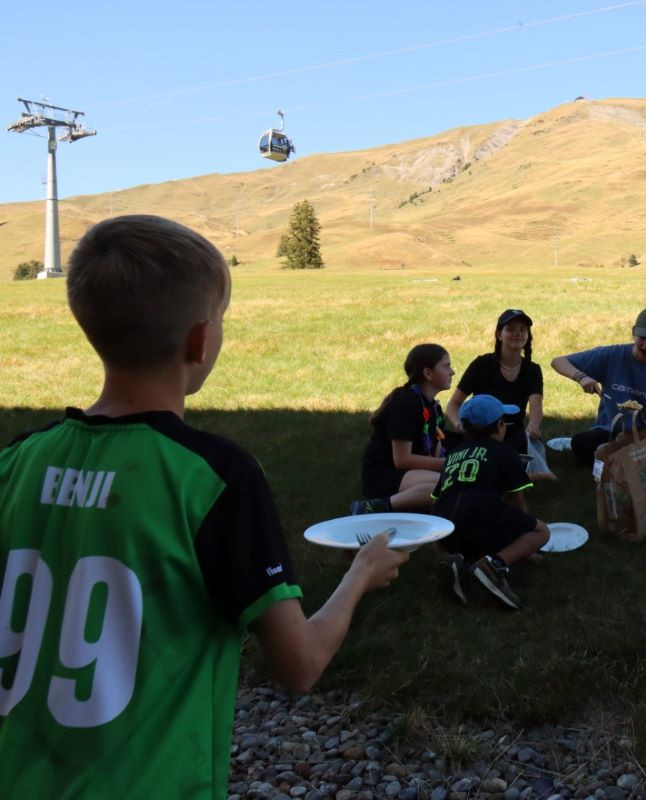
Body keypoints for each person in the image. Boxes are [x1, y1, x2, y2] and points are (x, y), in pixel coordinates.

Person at [0, 215, 407, 799]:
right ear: (200, 340)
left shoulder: (17, 459)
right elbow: (301, 663)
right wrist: (361, 574)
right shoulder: (216, 476)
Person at [431, 395, 550, 610]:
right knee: (541, 531)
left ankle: (453, 560)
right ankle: (493, 566)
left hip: (443, 521)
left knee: (459, 528)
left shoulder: (453, 454)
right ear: (500, 425)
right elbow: (519, 502)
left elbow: (437, 496)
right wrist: (525, 547)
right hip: (480, 510)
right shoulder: (505, 452)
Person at [550, 306, 646, 464]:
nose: (645, 345)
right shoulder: (612, 355)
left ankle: (617, 458)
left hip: (645, 434)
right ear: (634, 332)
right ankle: (635, 458)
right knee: (581, 442)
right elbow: (558, 362)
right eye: (642, 338)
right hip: (609, 432)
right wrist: (582, 377)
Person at [444, 309, 554, 480]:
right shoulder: (482, 364)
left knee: (510, 450)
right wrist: (460, 426)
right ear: (499, 334)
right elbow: (453, 404)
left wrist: (534, 426)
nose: (518, 334)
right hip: (479, 430)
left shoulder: (532, 370)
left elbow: (536, 405)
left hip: (512, 431)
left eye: (523, 330)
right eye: (511, 329)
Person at [354, 344, 453, 514]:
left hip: (411, 473)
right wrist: (449, 464)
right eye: (446, 366)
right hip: (386, 475)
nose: (452, 372)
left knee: (452, 483)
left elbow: (435, 451)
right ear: (428, 373)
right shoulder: (405, 403)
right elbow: (402, 460)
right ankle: (375, 506)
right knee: (448, 485)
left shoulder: (434, 408)